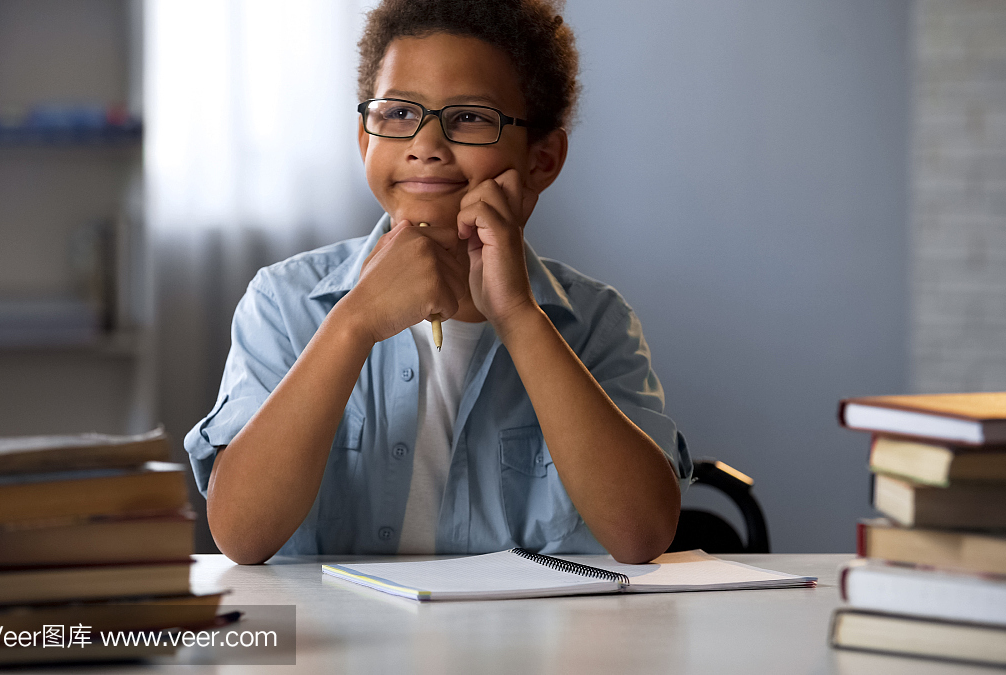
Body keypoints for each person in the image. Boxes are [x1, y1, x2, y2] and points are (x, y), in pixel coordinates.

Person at [185, 0, 691, 565]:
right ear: (364, 140)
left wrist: (520, 316)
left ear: (541, 161)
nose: (424, 144)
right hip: (338, 647)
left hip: (525, 650)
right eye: (397, 113)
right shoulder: (283, 303)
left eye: (470, 117)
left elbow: (641, 533)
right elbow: (241, 535)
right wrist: (353, 322)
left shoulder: (595, 322)